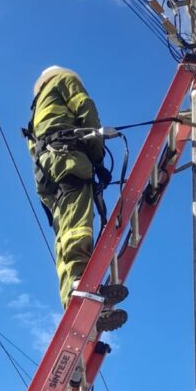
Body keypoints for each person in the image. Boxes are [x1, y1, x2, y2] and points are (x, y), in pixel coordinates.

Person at [25, 66, 127, 331]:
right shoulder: (64, 80)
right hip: (69, 159)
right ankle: (82, 286)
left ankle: (73, 298)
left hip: (47, 175)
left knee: (64, 237)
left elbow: (34, 151)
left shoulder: (35, 115)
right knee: (78, 228)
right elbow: (87, 111)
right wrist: (98, 157)